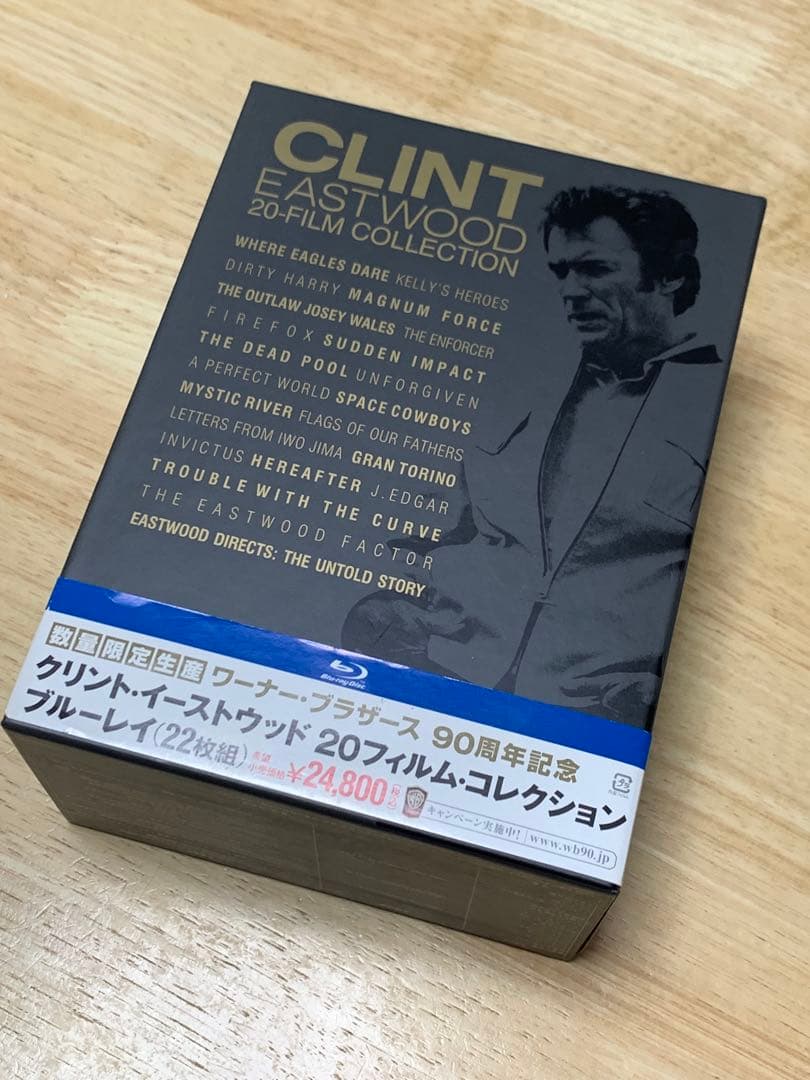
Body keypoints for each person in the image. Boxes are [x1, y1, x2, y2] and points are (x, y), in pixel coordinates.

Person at [342, 186, 725, 728]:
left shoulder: (709, 405)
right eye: (561, 271)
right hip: (443, 671)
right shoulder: (518, 380)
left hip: (589, 713)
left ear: (670, 276)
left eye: (594, 269)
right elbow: (424, 524)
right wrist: (382, 608)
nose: (571, 291)